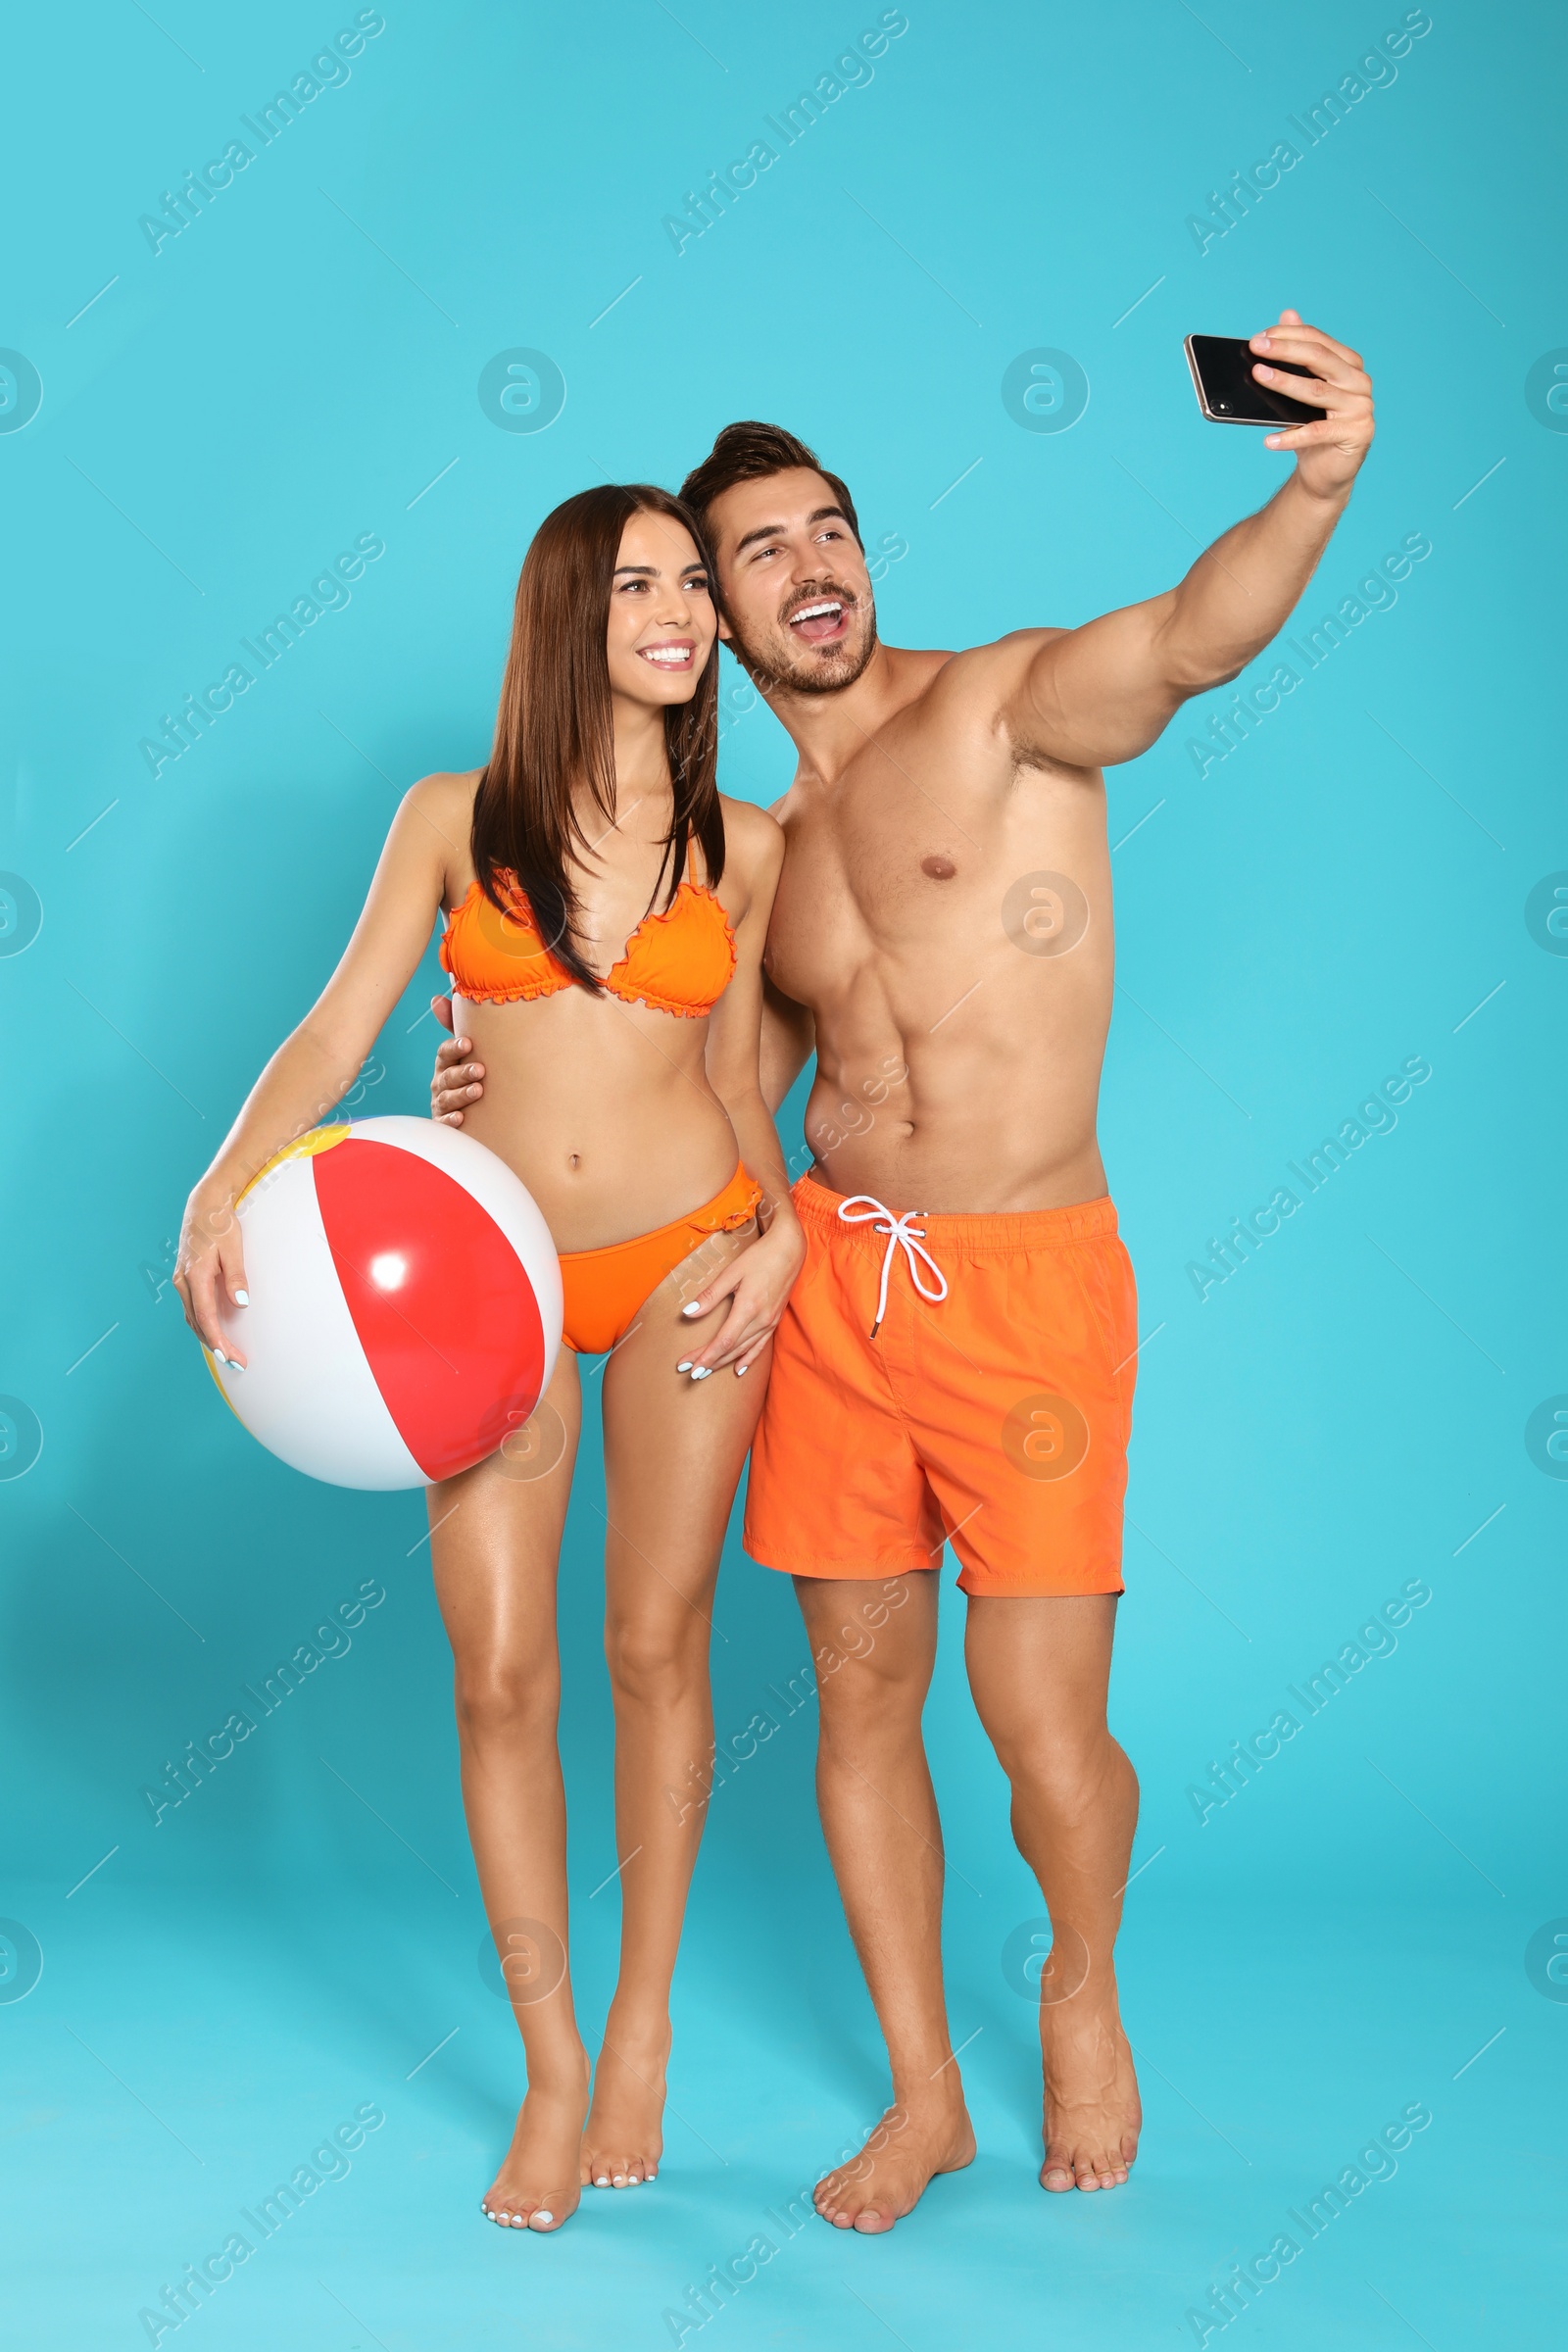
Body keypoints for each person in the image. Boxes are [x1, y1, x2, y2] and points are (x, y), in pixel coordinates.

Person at [432, 314, 1377, 2230]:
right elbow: (718, 1104)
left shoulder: (1008, 707)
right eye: (756, 550)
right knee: (857, 1705)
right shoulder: (756, 849)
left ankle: (1079, 1975)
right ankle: (925, 2093)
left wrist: (1318, 478)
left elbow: (1191, 637)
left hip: (1024, 1288)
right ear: (707, 609)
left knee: (1036, 1725)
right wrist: (496, 1088)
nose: (810, 566)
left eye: (829, 528)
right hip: (838, 1300)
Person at [174, 483, 805, 2234]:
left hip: (690, 1265)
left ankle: (642, 2024)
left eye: (696, 582)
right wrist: (219, 1183)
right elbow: (334, 1023)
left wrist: (780, 1229)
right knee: (501, 1676)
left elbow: (747, 1083)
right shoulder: (452, 818)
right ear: (566, 617)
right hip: (496, 1291)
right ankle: (543, 2064)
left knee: (654, 1646)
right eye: (642, 585)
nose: (682, 611)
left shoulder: (743, 847)